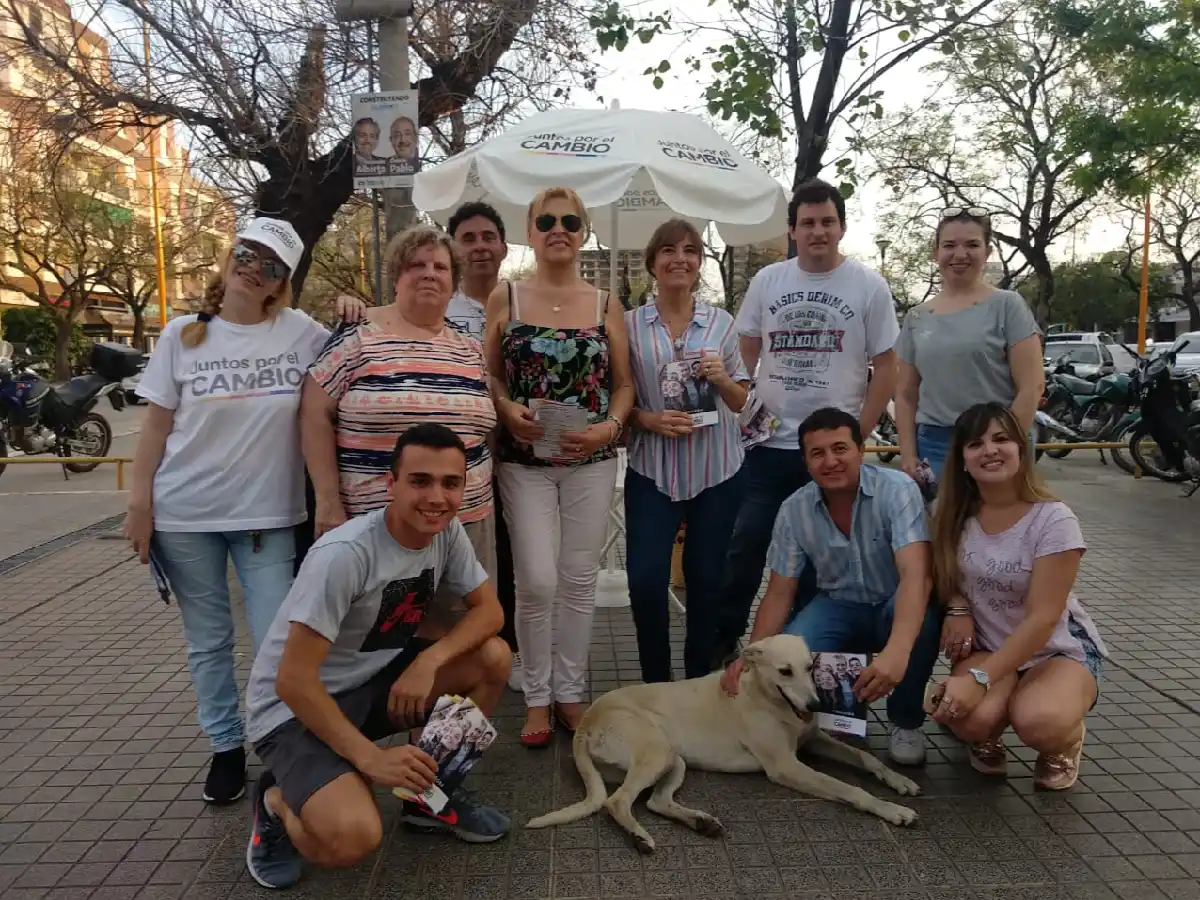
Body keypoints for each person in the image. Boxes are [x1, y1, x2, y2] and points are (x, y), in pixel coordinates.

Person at [123, 217, 365, 805]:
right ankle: (226, 747)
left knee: (276, 641)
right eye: (247, 253)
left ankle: (277, 744)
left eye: (271, 265)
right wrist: (138, 505)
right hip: (185, 518)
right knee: (207, 641)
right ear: (230, 257)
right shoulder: (182, 335)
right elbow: (154, 429)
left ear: (281, 284)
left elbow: (357, 337)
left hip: (266, 518)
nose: (253, 268)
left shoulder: (299, 331)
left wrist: (354, 305)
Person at [243, 425, 512, 890]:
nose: (437, 497)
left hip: (371, 681)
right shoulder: (345, 554)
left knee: (493, 657)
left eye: (450, 483)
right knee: (353, 839)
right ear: (390, 484)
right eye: (420, 481)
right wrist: (370, 759)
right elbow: (292, 681)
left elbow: (490, 612)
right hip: (294, 711)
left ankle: (428, 795)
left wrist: (429, 661)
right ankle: (276, 804)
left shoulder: (446, 535)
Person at [713, 178, 900, 666]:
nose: (818, 231)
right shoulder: (769, 281)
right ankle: (723, 645)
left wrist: (859, 431)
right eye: (808, 223)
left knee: (820, 562)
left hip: (830, 452)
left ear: (841, 228)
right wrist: (750, 400)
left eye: (827, 222)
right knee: (745, 548)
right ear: (793, 230)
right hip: (769, 445)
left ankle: (803, 653)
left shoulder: (868, 285)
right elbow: (745, 347)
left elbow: (887, 366)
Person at [484, 186, 635, 745]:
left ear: (583, 232)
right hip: (524, 461)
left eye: (570, 220)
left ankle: (568, 693)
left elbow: (623, 384)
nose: (558, 228)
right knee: (536, 580)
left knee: (577, 580)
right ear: (530, 229)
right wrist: (504, 407)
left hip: (590, 459)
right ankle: (536, 696)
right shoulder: (507, 297)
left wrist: (610, 427)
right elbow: (490, 374)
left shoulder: (604, 304)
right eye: (546, 219)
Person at [301, 224, 497, 638]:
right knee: (386, 640)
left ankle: (455, 707)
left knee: (464, 636)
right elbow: (313, 414)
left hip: (467, 522)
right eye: (417, 265)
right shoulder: (358, 339)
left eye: (440, 267)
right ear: (396, 276)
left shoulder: (470, 350)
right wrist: (327, 500)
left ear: (454, 282)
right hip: (379, 526)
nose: (429, 273)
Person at [719, 407, 940, 765]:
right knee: (794, 649)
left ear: (861, 449)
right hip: (838, 604)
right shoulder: (794, 509)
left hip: (893, 600)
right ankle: (845, 715)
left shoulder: (897, 490)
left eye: (840, 449)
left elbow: (917, 576)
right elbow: (779, 592)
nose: (830, 461)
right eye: (817, 453)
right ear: (805, 461)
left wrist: (896, 653)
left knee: (924, 623)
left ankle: (905, 720)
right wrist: (752, 656)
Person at [928, 402, 1106, 789]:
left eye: (1001, 439)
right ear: (961, 459)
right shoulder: (949, 513)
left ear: (1021, 449)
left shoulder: (1053, 519)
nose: (990, 450)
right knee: (971, 720)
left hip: (1056, 649)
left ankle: (1065, 740)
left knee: (1038, 720)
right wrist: (957, 607)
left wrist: (978, 679)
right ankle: (986, 734)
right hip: (989, 647)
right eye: (975, 443)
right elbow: (943, 571)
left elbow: (1043, 619)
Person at [624, 218, 749, 682]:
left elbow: (744, 402)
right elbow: (620, 394)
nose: (680, 258)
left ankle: (698, 683)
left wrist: (721, 379)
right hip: (652, 470)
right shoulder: (629, 326)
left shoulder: (722, 323)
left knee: (706, 584)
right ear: (652, 262)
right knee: (645, 582)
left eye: (691, 251)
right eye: (668, 250)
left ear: (699, 263)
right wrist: (646, 418)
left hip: (716, 470)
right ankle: (656, 686)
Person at [895, 208, 1044, 481]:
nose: (960, 254)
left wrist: (1003, 444)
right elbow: (905, 394)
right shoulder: (916, 317)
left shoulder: (1008, 306)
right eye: (949, 245)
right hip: (936, 446)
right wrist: (907, 454)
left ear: (987, 252)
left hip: (997, 443)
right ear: (935, 252)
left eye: (972, 244)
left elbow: (1032, 385)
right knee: (942, 523)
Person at [445, 202, 519, 686]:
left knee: (511, 553)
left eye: (487, 237)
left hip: (515, 448)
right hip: (457, 456)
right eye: (467, 239)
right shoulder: (439, 306)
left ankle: (507, 645)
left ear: (504, 247)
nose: (479, 247)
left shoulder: (523, 303)